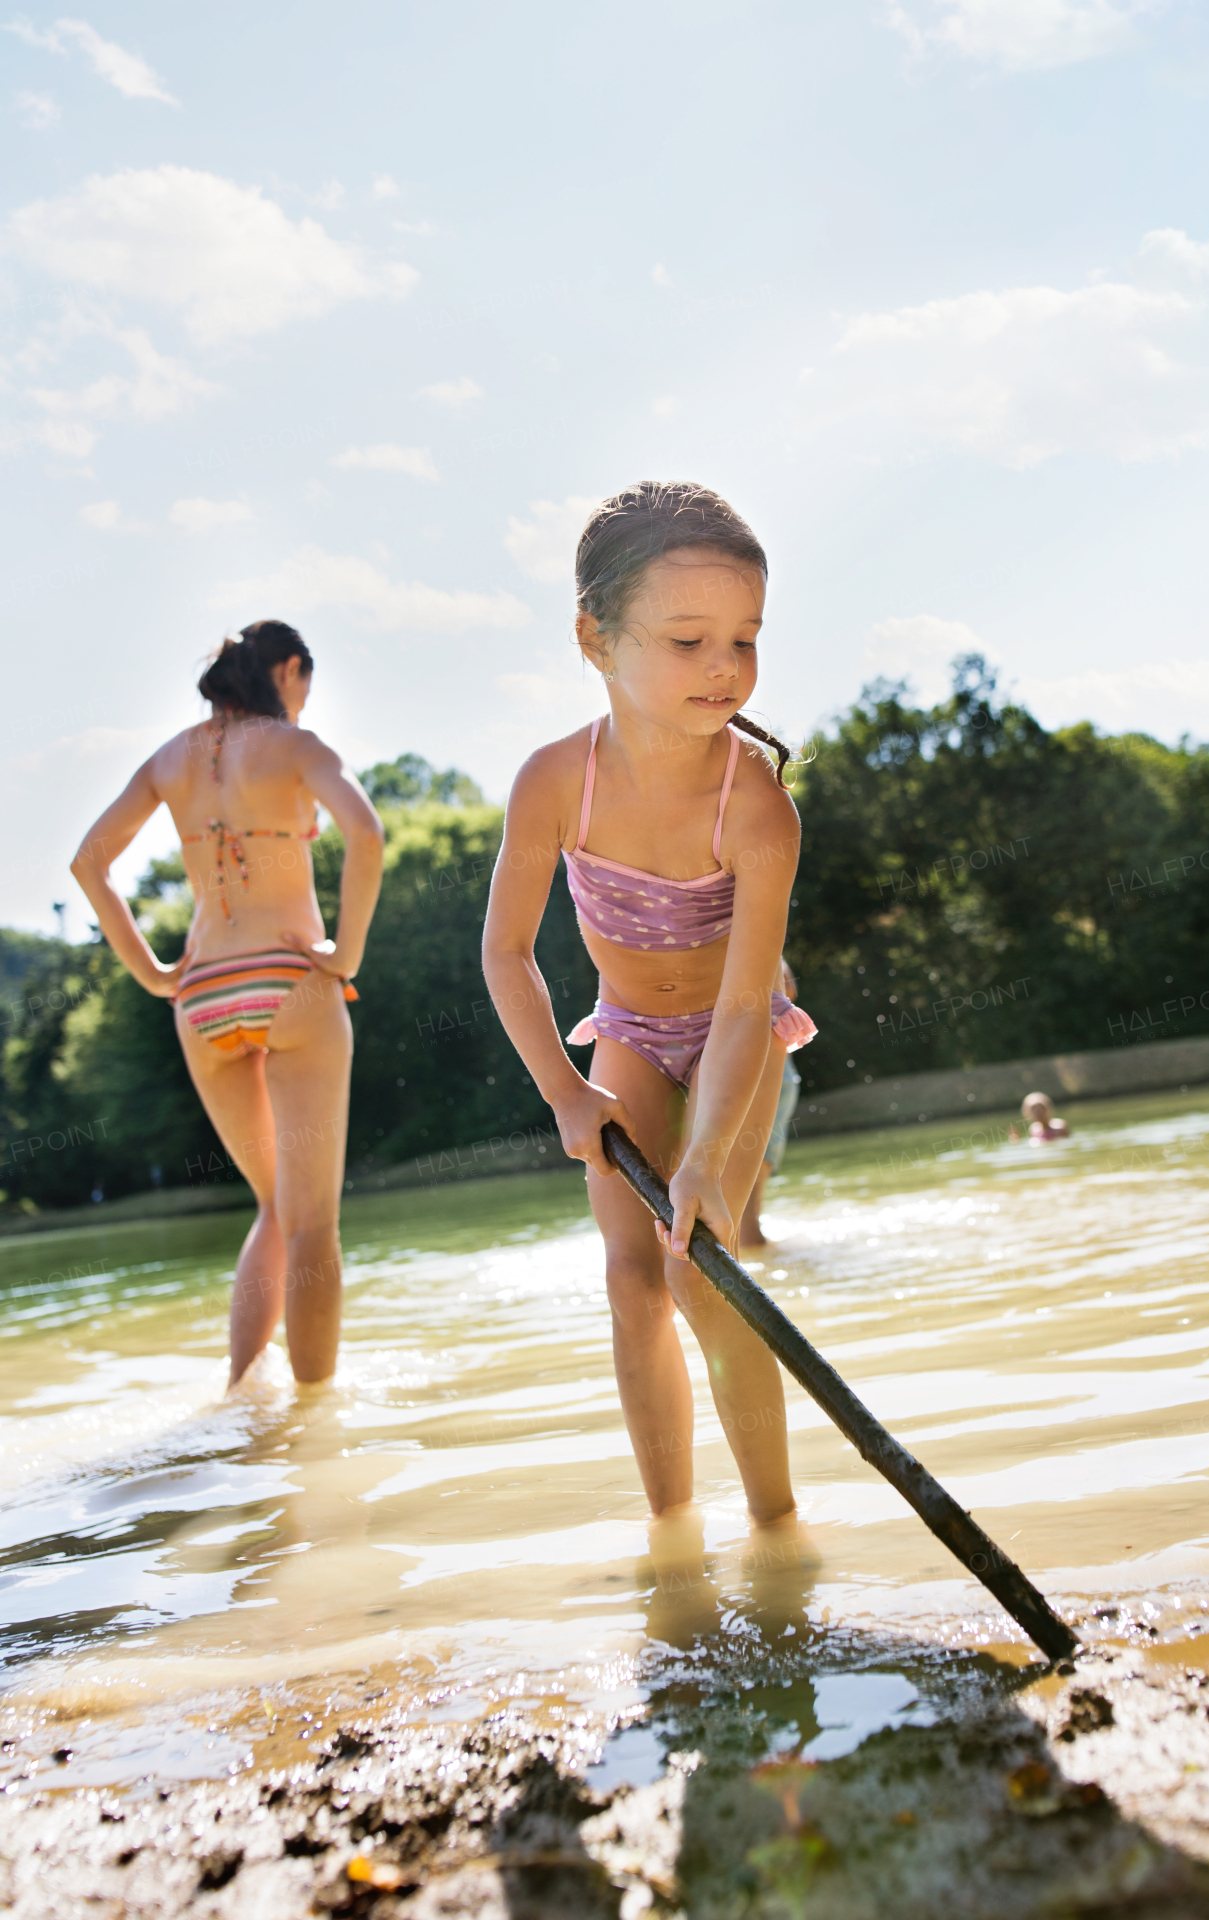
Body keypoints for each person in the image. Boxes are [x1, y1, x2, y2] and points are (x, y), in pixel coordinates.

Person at [482, 481, 816, 1540]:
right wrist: (566, 1094)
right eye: (687, 641)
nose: (723, 666)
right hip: (624, 1031)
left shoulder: (755, 805)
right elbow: (504, 953)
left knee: (707, 1281)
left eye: (743, 640)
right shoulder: (552, 783)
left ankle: (774, 1528)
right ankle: (672, 1529)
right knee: (632, 1280)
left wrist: (709, 1153)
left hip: (735, 1034)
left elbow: (738, 1012)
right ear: (595, 639)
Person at [70, 620, 384, 1387]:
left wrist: (152, 975)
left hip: (203, 993)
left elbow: (88, 864)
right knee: (313, 1227)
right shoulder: (294, 747)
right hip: (290, 978)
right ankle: (313, 1420)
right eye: (304, 684)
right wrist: (346, 952)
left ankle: (241, 1399)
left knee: (273, 1207)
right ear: (286, 669)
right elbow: (366, 834)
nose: (305, 702)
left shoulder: (171, 757)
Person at [739, 958, 802, 1248]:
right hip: (769, 1076)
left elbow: (786, 985)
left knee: (747, 1187)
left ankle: (753, 1258)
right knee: (746, 1185)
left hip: (767, 1078)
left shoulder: (768, 957)